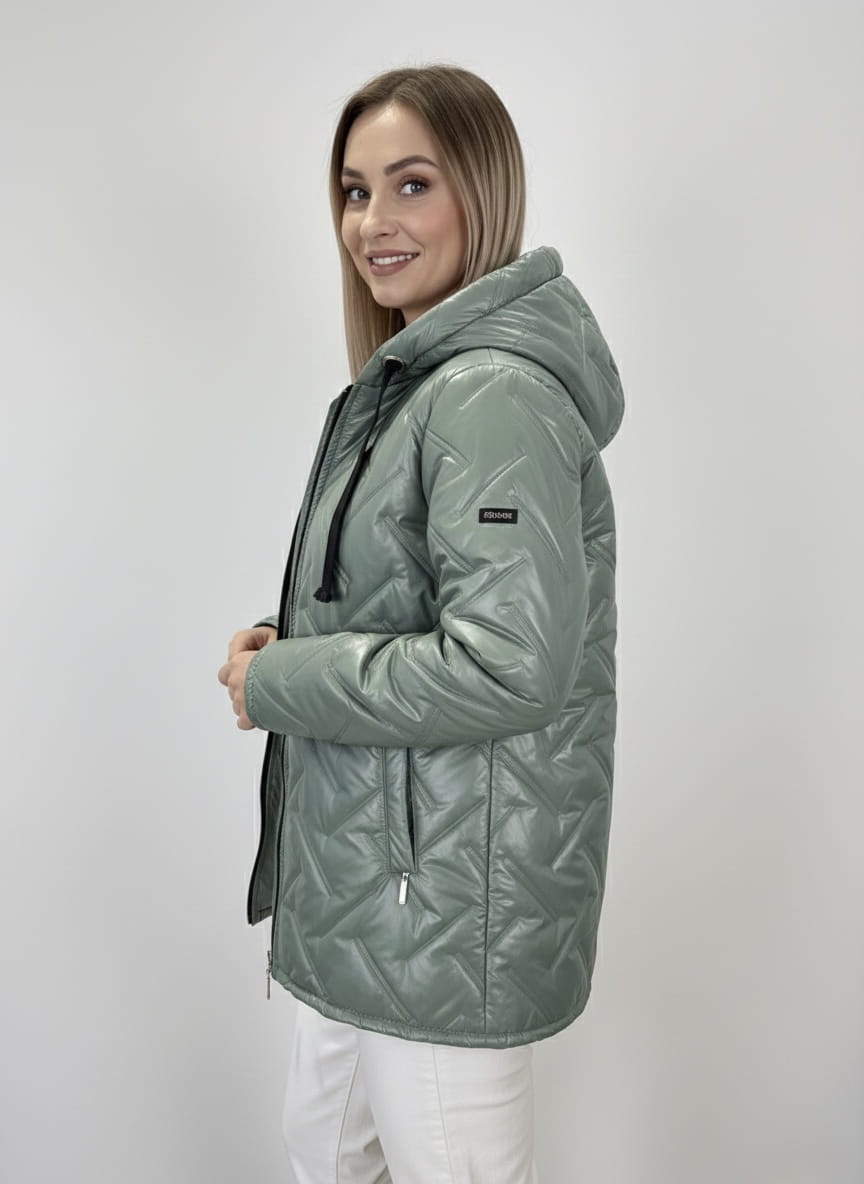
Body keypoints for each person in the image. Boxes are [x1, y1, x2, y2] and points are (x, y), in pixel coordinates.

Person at [218, 62, 625, 1184]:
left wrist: (283, 684)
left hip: (440, 905)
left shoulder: (490, 394)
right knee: (328, 1153)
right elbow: (409, 602)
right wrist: (285, 642)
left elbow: (507, 665)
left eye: (412, 184)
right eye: (355, 191)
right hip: (373, 891)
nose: (373, 222)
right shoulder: (416, 384)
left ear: (481, 194)